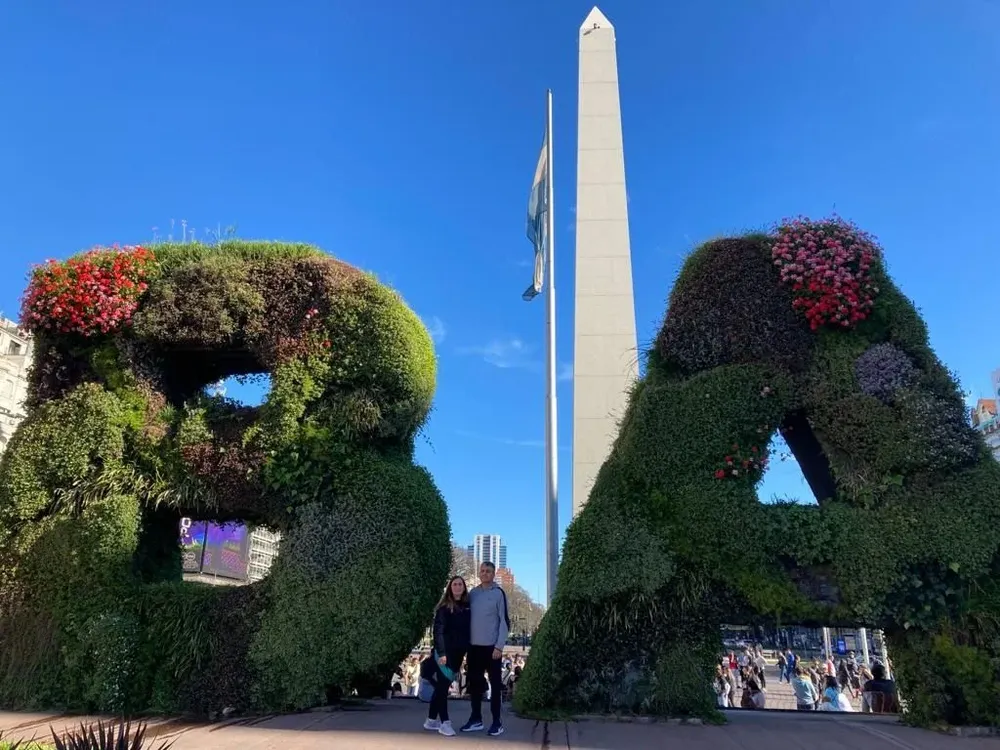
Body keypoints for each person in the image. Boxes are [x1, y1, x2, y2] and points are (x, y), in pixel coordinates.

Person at [460, 562, 510, 737]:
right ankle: (476, 719)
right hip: (474, 648)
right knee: (475, 685)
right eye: (482, 571)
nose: (484, 573)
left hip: (492, 648)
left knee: (495, 686)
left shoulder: (499, 594)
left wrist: (499, 646)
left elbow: (504, 621)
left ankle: (497, 722)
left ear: (493, 574)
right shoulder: (473, 594)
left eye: (488, 571)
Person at [423, 576, 471, 737]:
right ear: (450, 587)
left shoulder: (467, 607)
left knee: (441, 687)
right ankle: (445, 722)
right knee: (443, 688)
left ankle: (431, 720)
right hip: (445, 654)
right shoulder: (444, 608)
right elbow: (438, 632)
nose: (457, 587)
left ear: (464, 587)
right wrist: (442, 653)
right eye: (454, 584)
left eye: (460, 584)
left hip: (458, 654)